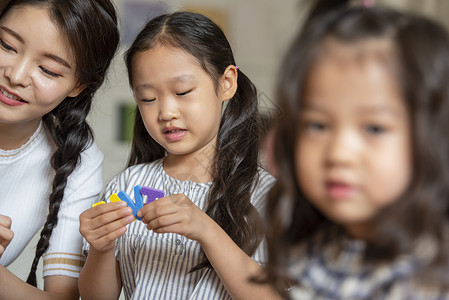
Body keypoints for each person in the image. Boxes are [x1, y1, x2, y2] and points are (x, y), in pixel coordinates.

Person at [79, 11, 279, 300]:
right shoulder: (128, 185)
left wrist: (207, 231)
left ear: (226, 83)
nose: (166, 112)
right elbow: (97, 297)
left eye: (183, 91)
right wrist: (101, 247)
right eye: (148, 98)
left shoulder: (264, 196)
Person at [263, 0, 449, 299]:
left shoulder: (430, 278)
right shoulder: (319, 247)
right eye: (318, 125)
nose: (338, 153)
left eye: (374, 128)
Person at [0, 0, 119, 299]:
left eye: (48, 70)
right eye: (6, 45)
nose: (16, 75)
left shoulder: (76, 158)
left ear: (79, 85)